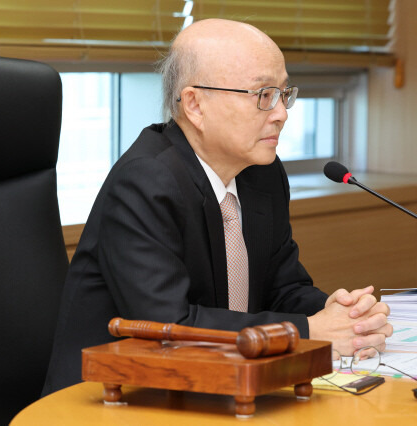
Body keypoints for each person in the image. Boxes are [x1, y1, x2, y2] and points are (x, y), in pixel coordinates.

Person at [42, 18, 392, 395]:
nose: (282, 113)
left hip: (216, 388)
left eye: (284, 93)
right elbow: (169, 327)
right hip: (111, 397)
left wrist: (343, 316)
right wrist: (308, 331)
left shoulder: (262, 174)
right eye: (262, 95)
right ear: (195, 104)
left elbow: (283, 288)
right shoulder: (145, 182)